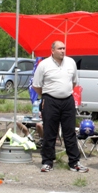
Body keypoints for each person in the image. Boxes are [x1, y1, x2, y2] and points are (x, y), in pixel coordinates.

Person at [32, 41, 88, 173]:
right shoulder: (44, 65)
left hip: (67, 100)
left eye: (64, 48)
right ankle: (47, 162)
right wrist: (46, 96)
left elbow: (74, 82)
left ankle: (74, 162)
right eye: (60, 48)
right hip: (50, 100)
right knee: (50, 132)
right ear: (52, 50)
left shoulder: (71, 62)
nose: (63, 51)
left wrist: (64, 91)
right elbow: (36, 85)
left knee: (70, 133)